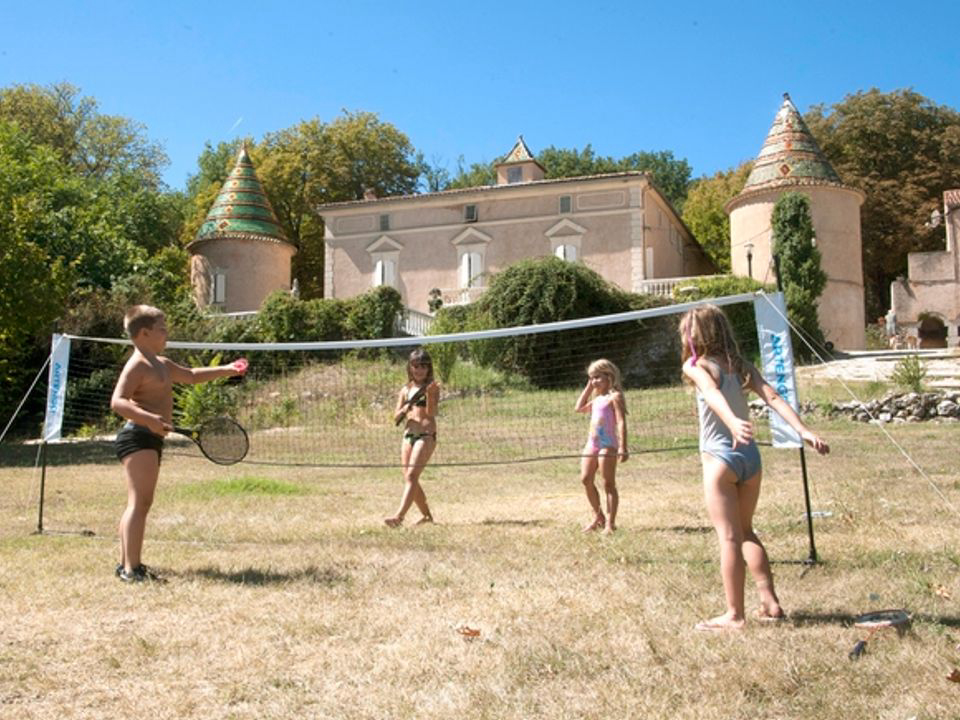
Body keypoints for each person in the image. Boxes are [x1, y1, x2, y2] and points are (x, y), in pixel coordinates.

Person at [680, 304, 829, 631]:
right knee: (746, 530)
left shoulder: (696, 365)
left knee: (729, 538)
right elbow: (773, 397)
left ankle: (734, 615)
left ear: (696, 335)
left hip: (721, 460)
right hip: (750, 460)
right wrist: (803, 430)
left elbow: (710, 392)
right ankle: (770, 602)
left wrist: (732, 421)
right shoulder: (740, 365)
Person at [110, 305, 247, 582]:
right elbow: (118, 401)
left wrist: (228, 369)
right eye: (162, 328)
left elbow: (192, 375)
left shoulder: (161, 363)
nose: (166, 332)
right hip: (137, 436)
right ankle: (130, 569)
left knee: (139, 503)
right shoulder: (137, 365)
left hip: (148, 437)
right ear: (144, 333)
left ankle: (128, 565)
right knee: (140, 502)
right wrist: (148, 418)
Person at [384, 348, 439, 528]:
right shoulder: (405, 390)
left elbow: (432, 413)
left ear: (428, 368)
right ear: (410, 367)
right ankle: (427, 517)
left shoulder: (432, 387)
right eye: (416, 366)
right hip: (408, 436)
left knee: (412, 475)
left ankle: (399, 517)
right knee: (409, 478)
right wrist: (404, 410)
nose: (419, 370)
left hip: (426, 435)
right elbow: (395, 418)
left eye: (423, 366)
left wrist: (430, 396)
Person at [574, 359, 628, 534]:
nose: (594, 381)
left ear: (609, 376)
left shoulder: (615, 397)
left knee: (608, 484)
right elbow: (579, 408)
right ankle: (598, 517)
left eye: (597, 377)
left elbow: (621, 422)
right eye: (591, 378)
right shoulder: (597, 399)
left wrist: (623, 446)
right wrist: (589, 388)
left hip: (608, 445)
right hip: (592, 444)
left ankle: (610, 524)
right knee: (585, 479)